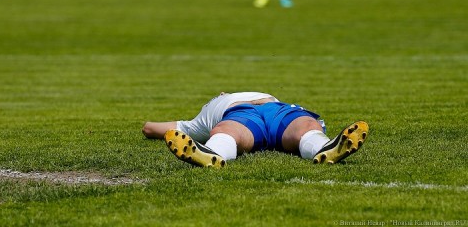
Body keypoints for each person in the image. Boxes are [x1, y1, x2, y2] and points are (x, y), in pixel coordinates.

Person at [142, 92, 368, 168]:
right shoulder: (199, 121)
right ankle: (211, 154)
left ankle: (327, 148)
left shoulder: (222, 99)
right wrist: (150, 128)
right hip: (240, 114)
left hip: (275, 108)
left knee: (306, 126)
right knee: (227, 131)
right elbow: (150, 128)